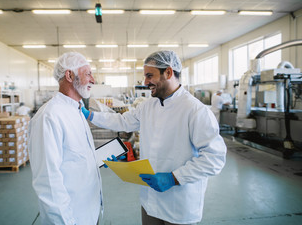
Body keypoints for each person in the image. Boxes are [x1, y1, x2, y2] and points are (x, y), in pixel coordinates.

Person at [82, 50, 227, 225]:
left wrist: (173, 178)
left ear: (168, 72)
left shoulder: (195, 111)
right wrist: (90, 115)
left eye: (150, 76)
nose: (145, 82)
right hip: (150, 201)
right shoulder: (148, 106)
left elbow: (215, 158)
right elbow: (123, 121)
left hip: (179, 204)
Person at [28, 52, 102, 225]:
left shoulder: (76, 110)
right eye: (88, 74)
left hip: (89, 211)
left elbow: (73, 157)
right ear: (69, 75)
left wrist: (97, 159)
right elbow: (48, 182)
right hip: (70, 218)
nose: (93, 79)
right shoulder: (49, 117)